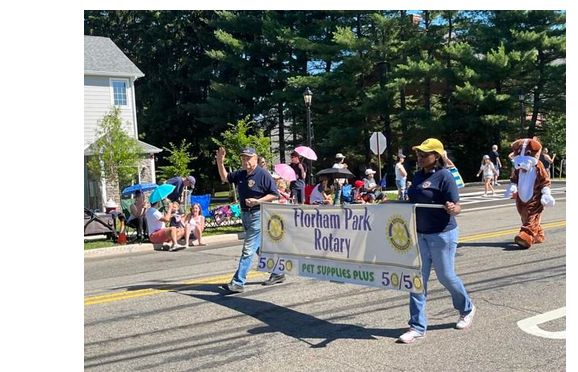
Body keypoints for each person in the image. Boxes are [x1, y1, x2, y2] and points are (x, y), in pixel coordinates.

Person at [398, 138, 475, 344]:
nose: (420, 157)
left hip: (442, 234)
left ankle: (466, 309)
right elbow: (412, 202)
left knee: (446, 277)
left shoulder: (445, 176)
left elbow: (456, 207)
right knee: (416, 280)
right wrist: (393, 204)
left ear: (437, 156)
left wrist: (452, 208)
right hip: (419, 234)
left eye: (425, 154)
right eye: (419, 154)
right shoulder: (416, 176)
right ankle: (417, 326)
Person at [216, 146, 279, 293]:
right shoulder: (241, 174)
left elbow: (275, 194)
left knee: (248, 249)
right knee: (257, 247)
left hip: (257, 214)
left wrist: (258, 201)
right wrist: (220, 162)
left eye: (248, 159)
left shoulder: (263, 174)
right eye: (243, 159)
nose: (245, 162)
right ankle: (277, 272)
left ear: (255, 158)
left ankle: (238, 282)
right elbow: (225, 177)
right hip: (245, 214)